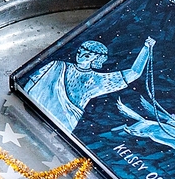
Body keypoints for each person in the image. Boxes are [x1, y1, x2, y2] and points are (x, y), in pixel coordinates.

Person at [22, 36, 155, 132]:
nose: (80, 56)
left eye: (87, 55)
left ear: (96, 59)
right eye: (80, 52)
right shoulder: (57, 65)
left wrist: (146, 49)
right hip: (27, 108)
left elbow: (134, 73)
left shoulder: (97, 80)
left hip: (62, 122)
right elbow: (31, 83)